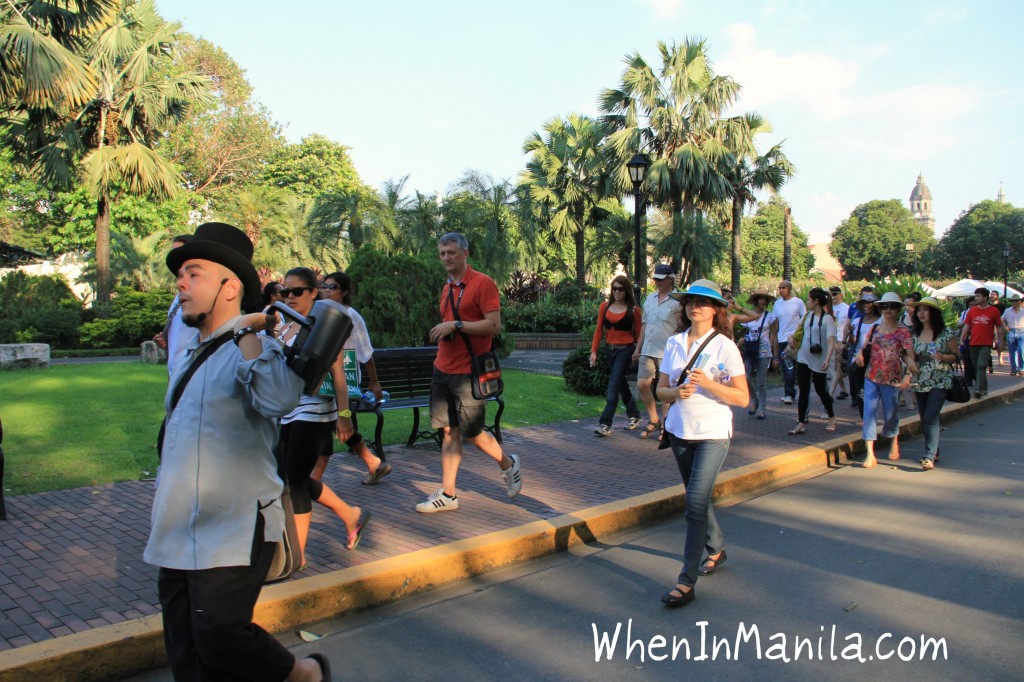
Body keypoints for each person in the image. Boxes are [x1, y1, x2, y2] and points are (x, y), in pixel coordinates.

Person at [145, 222, 331, 682]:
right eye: (180, 276)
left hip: (235, 524)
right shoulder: (193, 353)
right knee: (187, 650)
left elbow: (278, 400)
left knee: (222, 635)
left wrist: (246, 330)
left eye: (193, 273)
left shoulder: (254, 347)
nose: (180, 285)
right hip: (177, 522)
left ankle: (301, 673)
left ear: (230, 287)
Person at [655, 279, 749, 608]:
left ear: (716, 310)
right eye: (691, 301)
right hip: (680, 430)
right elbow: (659, 390)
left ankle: (686, 581)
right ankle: (717, 547)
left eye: (704, 303)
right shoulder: (675, 343)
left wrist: (709, 383)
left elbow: (742, 397)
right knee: (698, 498)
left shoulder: (725, 347)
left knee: (694, 503)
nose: (696, 307)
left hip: (713, 432)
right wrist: (675, 393)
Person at [417, 232, 522, 513]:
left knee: (472, 433)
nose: (446, 258)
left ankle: (507, 463)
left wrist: (456, 325)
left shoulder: (482, 283)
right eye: (442, 254)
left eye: (451, 252)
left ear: (465, 253)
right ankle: (448, 495)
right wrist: (448, 327)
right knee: (448, 431)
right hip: (443, 368)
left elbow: (493, 326)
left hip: (468, 372)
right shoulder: (447, 287)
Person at [276, 267, 370, 564]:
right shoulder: (283, 325)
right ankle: (349, 513)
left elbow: (339, 375)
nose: (289, 297)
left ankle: (299, 555)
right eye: (285, 292)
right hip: (286, 412)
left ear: (313, 292)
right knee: (288, 478)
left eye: (297, 291)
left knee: (295, 481)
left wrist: (343, 416)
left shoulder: (323, 325)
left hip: (314, 412)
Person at [314, 271, 392, 485]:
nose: (327, 290)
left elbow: (365, 352)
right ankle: (373, 462)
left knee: (326, 425)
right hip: (321, 380)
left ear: (345, 291)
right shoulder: (319, 312)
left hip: (341, 380)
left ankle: (312, 482)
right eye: (324, 286)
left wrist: (374, 382)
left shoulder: (351, 316)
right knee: (333, 424)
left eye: (333, 287)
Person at [856, 292, 918, 468]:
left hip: (892, 379)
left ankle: (893, 440)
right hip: (872, 376)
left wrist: (908, 375)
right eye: (884, 306)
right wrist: (860, 353)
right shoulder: (875, 328)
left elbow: (909, 357)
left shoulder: (903, 331)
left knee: (891, 414)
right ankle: (870, 453)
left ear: (898, 309)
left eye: (892, 306)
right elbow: (864, 347)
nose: (888, 309)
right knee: (869, 414)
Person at [633, 263, 683, 438]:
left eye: (661, 280)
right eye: (655, 279)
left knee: (665, 390)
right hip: (648, 349)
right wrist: (638, 348)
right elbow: (645, 325)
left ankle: (666, 424)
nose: (657, 283)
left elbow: (682, 327)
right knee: (642, 384)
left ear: (671, 279)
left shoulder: (678, 301)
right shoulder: (650, 298)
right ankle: (654, 419)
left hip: (667, 352)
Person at [589, 275, 643, 436]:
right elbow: (599, 330)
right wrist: (594, 351)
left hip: (625, 350)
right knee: (620, 384)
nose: (617, 292)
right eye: (614, 288)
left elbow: (640, 333)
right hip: (610, 350)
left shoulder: (634, 310)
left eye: (621, 289)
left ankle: (605, 423)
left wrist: (637, 350)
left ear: (626, 290)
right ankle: (634, 415)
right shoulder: (604, 307)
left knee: (613, 384)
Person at [911, 297, 959, 470]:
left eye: (926, 309)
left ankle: (928, 456)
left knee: (931, 416)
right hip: (920, 379)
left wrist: (945, 357)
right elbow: (907, 354)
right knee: (925, 418)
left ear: (934, 313)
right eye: (919, 310)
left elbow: (956, 356)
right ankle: (934, 450)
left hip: (940, 379)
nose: (922, 313)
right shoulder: (914, 333)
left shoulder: (946, 333)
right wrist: (910, 361)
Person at [788, 287, 837, 435]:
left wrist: (827, 359)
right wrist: (791, 338)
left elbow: (831, 342)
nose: (807, 302)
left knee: (821, 390)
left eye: (809, 299)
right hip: (804, 357)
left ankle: (832, 418)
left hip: (819, 359)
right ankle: (801, 422)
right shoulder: (806, 316)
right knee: (803, 390)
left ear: (816, 301)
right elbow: (797, 332)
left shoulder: (827, 319)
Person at [152, 234, 193, 377]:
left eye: (180, 252)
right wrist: (167, 342)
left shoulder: (198, 295)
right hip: (176, 372)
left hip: (190, 374)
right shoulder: (179, 295)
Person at [733, 288, 777, 420]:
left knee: (761, 381)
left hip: (764, 350)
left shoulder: (770, 316)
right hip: (750, 349)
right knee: (745, 376)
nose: (763, 301)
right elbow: (743, 330)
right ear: (756, 300)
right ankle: (754, 400)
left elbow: (774, 336)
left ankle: (762, 409)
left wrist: (776, 356)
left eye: (765, 299)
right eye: (760, 299)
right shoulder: (749, 316)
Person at [959, 287, 1004, 398]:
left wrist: (1000, 340)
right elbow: (967, 325)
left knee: (981, 365)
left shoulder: (994, 311)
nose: (976, 298)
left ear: (985, 297)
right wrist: (961, 339)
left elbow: (999, 327)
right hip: (973, 343)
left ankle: (979, 389)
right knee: (976, 366)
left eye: (978, 296)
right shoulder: (972, 311)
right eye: (976, 296)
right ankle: (983, 387)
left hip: (986, 343)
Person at [845, 293, 880, 418]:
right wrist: (849, 335)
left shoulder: (881, 321)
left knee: (873, 391)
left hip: (876, 361)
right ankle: (864, 417)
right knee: (860, 391)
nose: (867, 305)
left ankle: (871, 416)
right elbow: (854, 342)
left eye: (870, 302)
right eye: (864, 303)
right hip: (860, 359)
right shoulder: (857, 321)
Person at [772, 280, 806, 405]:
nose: (781, 290)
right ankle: (789, 392)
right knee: (785, 369)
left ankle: (790, 394)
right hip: (781, 339)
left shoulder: (798, 302)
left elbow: (804, 318)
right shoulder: (777, 304)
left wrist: (796, 334)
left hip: (793, 340)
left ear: (789, 289)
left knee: (790, 368)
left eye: (783, 287)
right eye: (779, 287)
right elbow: (775, 322)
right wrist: (773, 337)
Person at [829, 286, 850, 400]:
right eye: (830, 294)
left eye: (835, 294)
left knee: (836, 367)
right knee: (836, 367)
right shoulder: (827, 308)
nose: (833, 297)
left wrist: (844, 342)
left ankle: (830, 394)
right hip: (830, 340)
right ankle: (844, 389)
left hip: (840, 341)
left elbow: (849, 326)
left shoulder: (846, 308)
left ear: (840, 294)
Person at [1003, 293, 1024, 376]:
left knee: (1021, 351)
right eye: (1013, 301)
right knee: (1012, 352)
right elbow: (1002, 319)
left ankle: (1021, 368)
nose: (1014, 302)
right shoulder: (1007, 310)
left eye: (1016, 300)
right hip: (1011, 331)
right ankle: (1013, 369)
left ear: (1020, 301)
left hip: (1021, 331)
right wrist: (1005, 327)